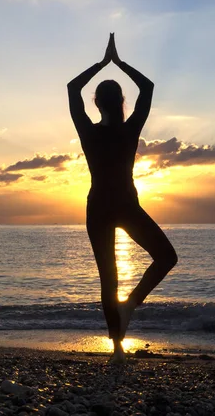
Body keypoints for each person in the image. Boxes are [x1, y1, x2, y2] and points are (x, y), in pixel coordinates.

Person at [67, 33, 178, 364]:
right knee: (166, 257)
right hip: (125, 204)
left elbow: (73, 90)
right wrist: (119, 63)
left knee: (109, 277)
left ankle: (117, 348)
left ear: (97, 103)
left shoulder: (89, 132)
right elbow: (148, 89)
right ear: (122, 103)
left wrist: (101, 64)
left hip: (99, 205)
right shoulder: (130, 130)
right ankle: (129, 306)